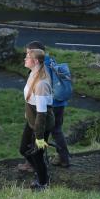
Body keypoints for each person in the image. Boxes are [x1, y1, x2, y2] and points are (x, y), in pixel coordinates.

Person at [27, 40, 71, 168]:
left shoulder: (41, 66)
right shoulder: (50, 60)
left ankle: (33, 163)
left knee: (39, 131)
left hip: (50, 104)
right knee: (57, 131)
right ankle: (64, 158)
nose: (27, 55)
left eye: (28, 53)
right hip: (60, 102)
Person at [20, 47, 54, 189]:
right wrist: (28, 115)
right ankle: (42, 173)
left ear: (34, 61)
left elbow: (42, 114)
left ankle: (43, 183)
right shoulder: (33, 72)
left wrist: (39, 137)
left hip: (41, 125)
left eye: (27, 57)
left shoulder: (41, 84)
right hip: (32, 121)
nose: (25, 59)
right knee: (24, 150)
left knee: (36, 155)